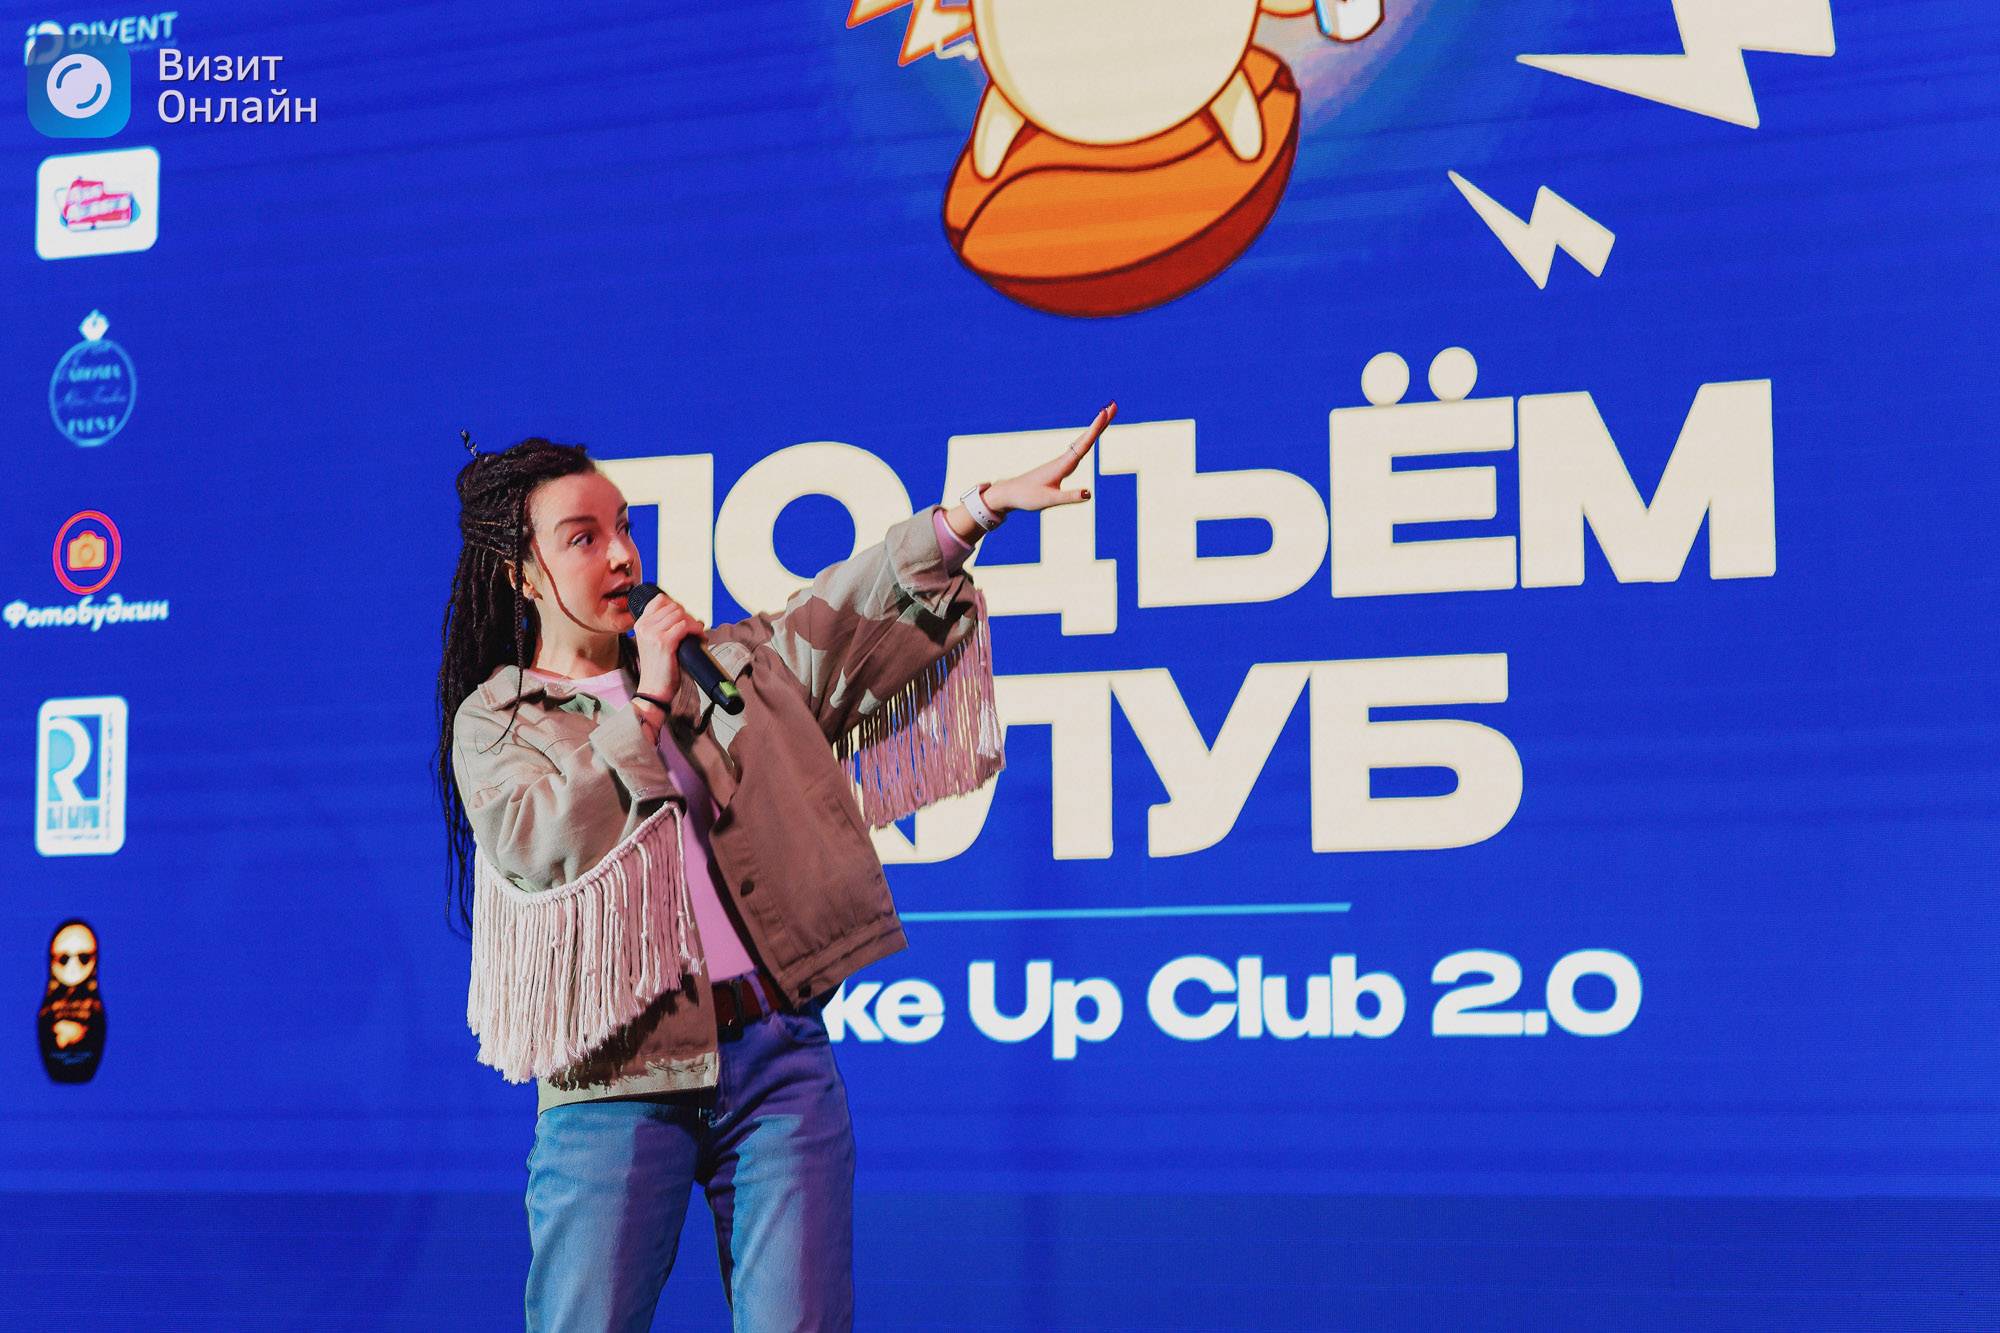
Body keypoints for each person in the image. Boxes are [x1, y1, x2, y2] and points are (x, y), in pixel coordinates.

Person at [433, 403, 1115, 1331]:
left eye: (625, 527)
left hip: (775, 1064)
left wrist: (978, 509)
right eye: (582, 538)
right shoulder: (500, 720)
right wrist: (646, 702)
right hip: (615, 1080)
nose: (622, 556)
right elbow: (537, 836)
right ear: (522, 572)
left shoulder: (726, 668)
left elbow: (846, 607)